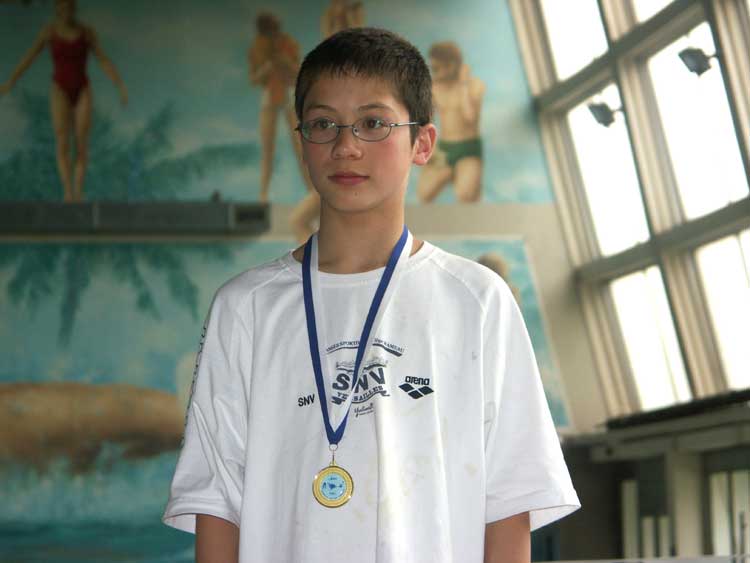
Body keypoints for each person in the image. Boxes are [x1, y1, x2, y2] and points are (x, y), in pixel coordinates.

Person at [163, 28, 579, 562]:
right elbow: (216, 501)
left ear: (422, 143)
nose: (346, 146)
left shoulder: (477, 301)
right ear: (302, 142)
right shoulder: (245, 307)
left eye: (373, 123)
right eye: (323, 124)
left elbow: (511, 501)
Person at [0, 0, 128, 202]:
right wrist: (11, 81)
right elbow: (29, 58)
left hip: (82, 88)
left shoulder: (86, 32)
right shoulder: (49, 32)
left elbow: (103, 59)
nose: (66, 10)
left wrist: (119, 85)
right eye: (62, 7)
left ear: (74, 8)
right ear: (57, 9)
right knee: (62, 141)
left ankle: (78, 192)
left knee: (81, 143)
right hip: (59, 88)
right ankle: (67, 191)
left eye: (69, 6)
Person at [248, 11, 313, 203]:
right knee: (267, 147)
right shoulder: (258, 46)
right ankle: (263, 194)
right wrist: (268, 67)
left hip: (289, 94)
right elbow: (254, 78)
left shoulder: (288, 43)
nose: (272, 34)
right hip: (270, 95)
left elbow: (300, 72)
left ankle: (312, 191)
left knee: (300, 145)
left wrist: (286, 62)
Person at [417, 41, 485, 203]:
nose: (433, 72)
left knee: (466, 196)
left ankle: (463, 174)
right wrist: (429, 150)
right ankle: (452, 172)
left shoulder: (474, 85)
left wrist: (463, 85)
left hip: (468, 148)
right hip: (445, 148)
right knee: (424, 194)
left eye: (436, 68)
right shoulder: (434, 88)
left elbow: (470, 118)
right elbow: (427, 121)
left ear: (452, 66)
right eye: (432, 68)